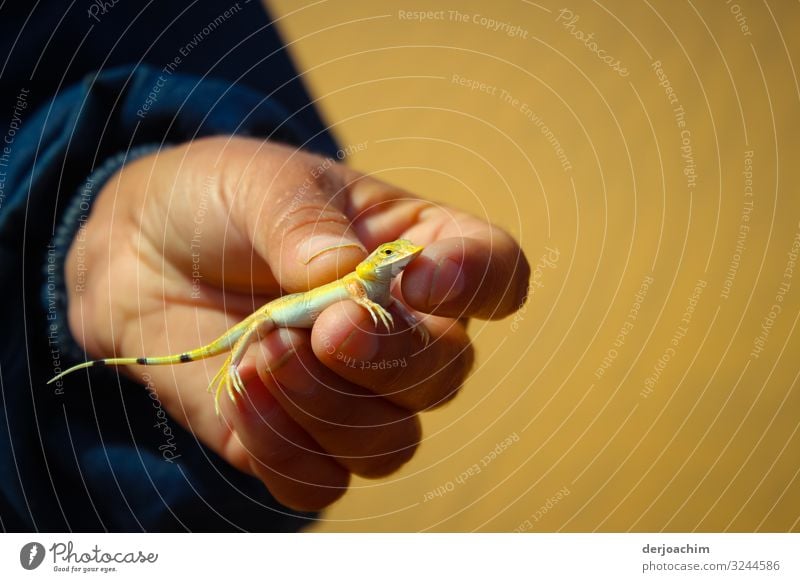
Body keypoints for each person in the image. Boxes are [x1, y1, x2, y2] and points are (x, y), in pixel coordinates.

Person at [0, 2, 529, 531]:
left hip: (112, 230)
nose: (399, 257)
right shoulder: (359, 277)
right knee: (261, 355)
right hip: (269, 312)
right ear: (379, 261)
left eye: (394, 256)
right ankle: (226, 372)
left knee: (309, 399)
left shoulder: (372, 288)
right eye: (390, 255)